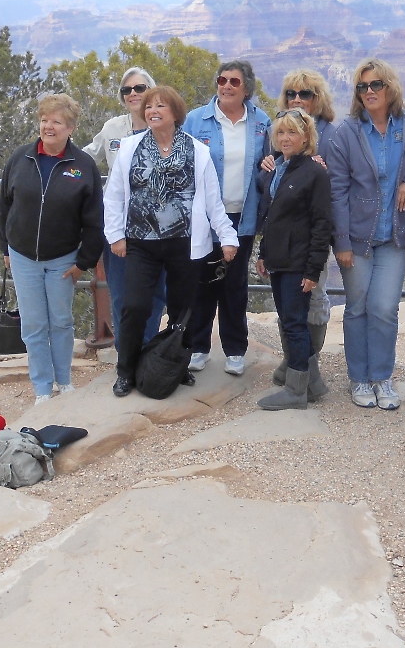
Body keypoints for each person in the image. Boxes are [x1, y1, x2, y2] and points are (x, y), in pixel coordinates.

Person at [104, 86, 239, 397]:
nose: (153, 110)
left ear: (176, 113)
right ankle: (126, 370)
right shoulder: (130, 148)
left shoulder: (196, 151)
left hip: (185, 243)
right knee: (135, 306)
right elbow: (113, 196)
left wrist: (227, 237)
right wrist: (115, 235)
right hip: (140, 242)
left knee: (183, 310)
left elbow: (213, 201)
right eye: (149, 106)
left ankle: (175, 367)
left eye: (160, 106)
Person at [328, 58, 405, 410]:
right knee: (356, 308)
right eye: (362, 87)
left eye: (375, 85)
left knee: (384, 308)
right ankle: (359, 378)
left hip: (394, 236)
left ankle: (382, 378)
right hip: (356, 239)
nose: (369, 92)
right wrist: (340, 241)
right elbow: (337, 191)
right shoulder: (347, 132)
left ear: (390, 88)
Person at [0, 94, 105, 405]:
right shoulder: (20, 158)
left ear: (70, 128)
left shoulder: (83, 166)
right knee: (33, 324)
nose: (48, 126)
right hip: (23, 257)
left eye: (56, 121)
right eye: (44, 120)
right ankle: (43, 388)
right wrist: (5, 247)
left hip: (63, 259)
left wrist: (82, 262)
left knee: (60, 321)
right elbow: (4, 206)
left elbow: (94, 221)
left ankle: (64, 380)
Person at [183, 61, 271, 375]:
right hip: (204, 218)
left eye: (234, 81)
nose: (227, 86)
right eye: (222, 79)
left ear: (246, 88)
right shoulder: (196, 120)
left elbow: (269, 164)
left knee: (234, 285)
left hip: (242, 216)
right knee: (202, 283)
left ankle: (235, 349)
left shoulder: (261, 122)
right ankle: (197, 347)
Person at [260, 68, 337, 398]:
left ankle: (297, 389)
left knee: (295, 321)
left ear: (307, 137)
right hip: (280, 259)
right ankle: (312, 384)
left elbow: (322, 224)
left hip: (299, 262)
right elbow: (272, 218)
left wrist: (312, 269)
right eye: (281, 133)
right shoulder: (278, 168)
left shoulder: (313, 173)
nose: (286, 138)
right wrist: (264, 254)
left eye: (293, 133)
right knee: (289, 318)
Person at [83, 66, 166, 346]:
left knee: (155, 293)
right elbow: (86, 159)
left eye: (139, 88)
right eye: (126, 90)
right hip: (118, 225)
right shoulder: (112, 129)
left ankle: (149, 351)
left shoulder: (167, 126)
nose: (133, 94)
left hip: (158, 226)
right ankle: (126, 357)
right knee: (120, 293)